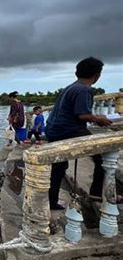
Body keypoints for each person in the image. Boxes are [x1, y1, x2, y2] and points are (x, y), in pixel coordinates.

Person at [46, 57, 117, 210]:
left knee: (58, 167)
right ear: (97, 75)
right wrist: (99, 118)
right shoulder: (85, 89)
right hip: (69, 129)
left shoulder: (71, 87)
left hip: (54, 129)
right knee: (102, 155)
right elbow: (82, 115)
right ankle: (97, 193)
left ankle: (51, 201)